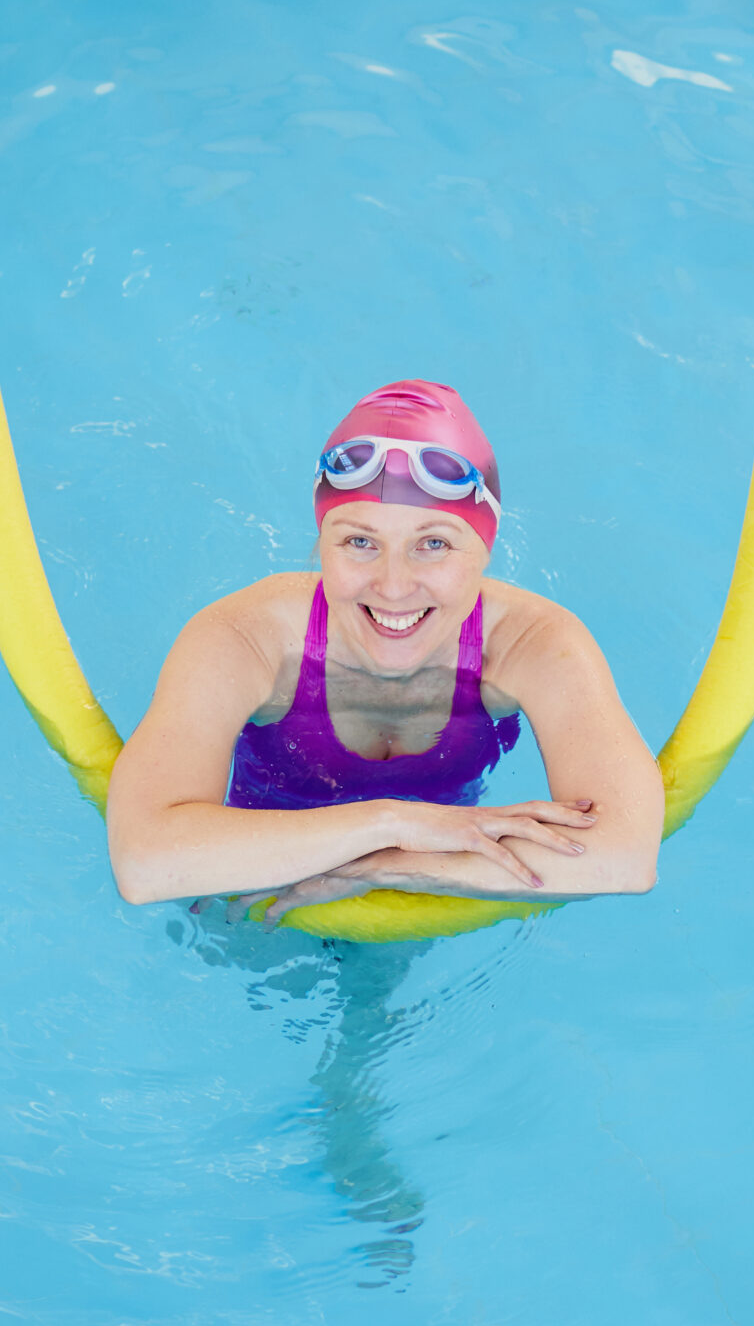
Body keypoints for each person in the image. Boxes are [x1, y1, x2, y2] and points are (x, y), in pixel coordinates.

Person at [107, 379, 664, 924]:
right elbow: (144, 862)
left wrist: (386, 866)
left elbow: (625, 856)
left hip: (432, 886)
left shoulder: (531, 644)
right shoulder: (246, 637)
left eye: (434, 544)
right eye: (359, 542)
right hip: (249, 898)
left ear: (485, 550)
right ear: (320, 543)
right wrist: (390, 825)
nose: (393, 586)